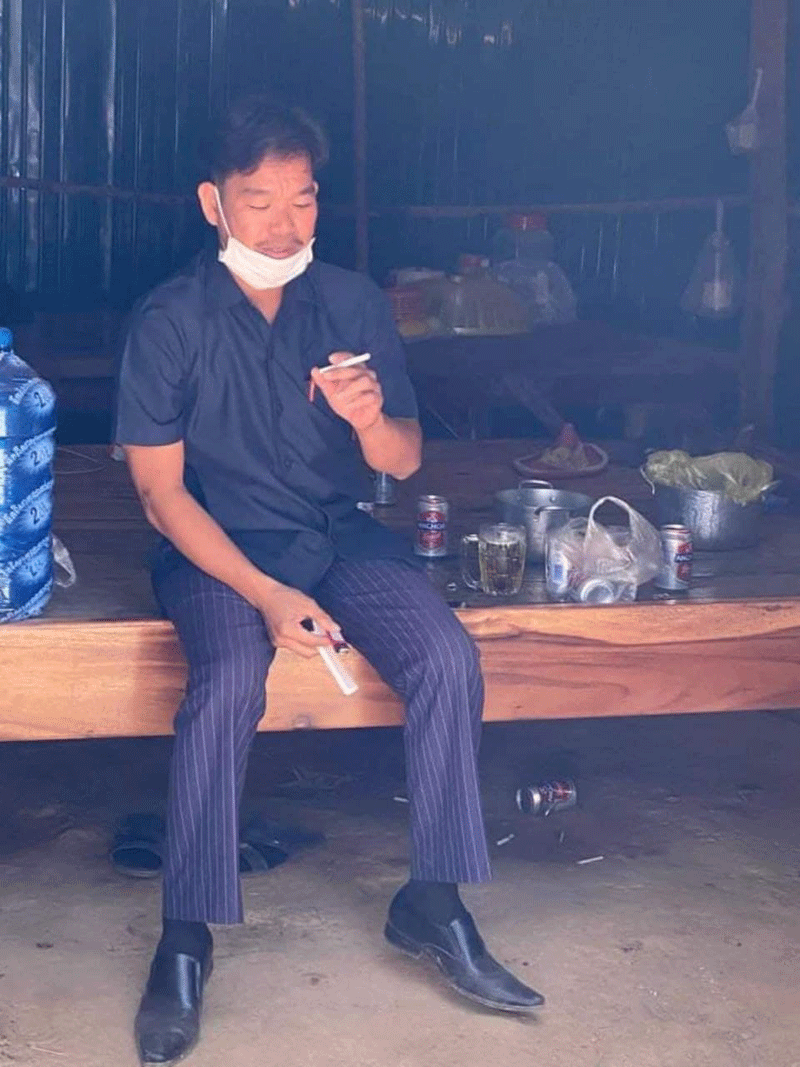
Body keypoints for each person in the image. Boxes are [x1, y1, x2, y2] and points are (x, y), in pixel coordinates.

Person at [115, 96, 543, 1066]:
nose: (284, 224)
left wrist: (367, 420)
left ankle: (432, 899)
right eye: (258, 201)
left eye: (302, 199)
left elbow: (404, 456)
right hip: (216, 546)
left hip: (336, 533)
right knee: (229, 679)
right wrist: (266, 594)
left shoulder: (349, 303)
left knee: (445, 656)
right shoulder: (171, 319)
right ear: (213, 203)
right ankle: (184, 934)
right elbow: (159, 494)